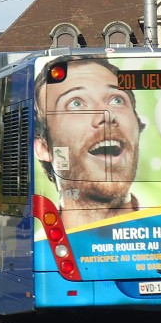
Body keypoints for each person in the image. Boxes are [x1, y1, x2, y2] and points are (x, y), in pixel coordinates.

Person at [34, 57, 145, 229]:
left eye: (117, 99)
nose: (106, 115)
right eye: (76, 103)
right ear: (44, 147)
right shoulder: (41, 243)